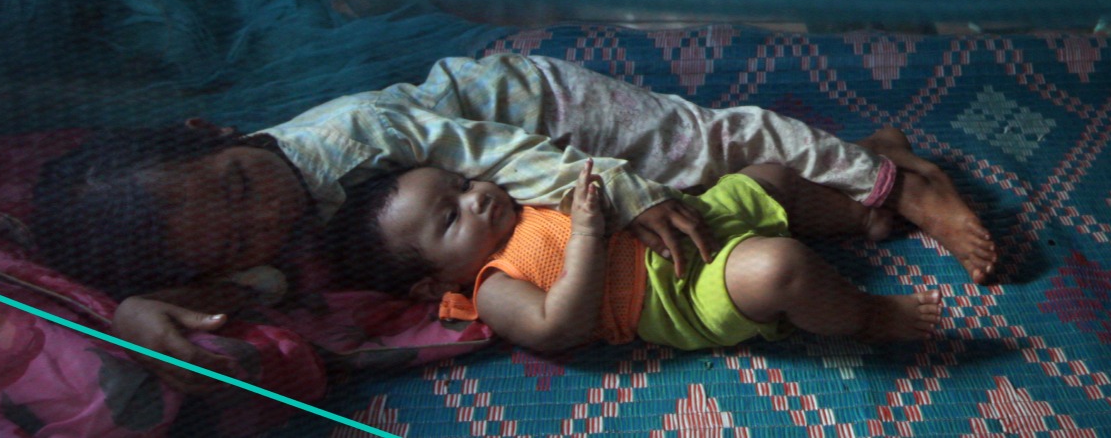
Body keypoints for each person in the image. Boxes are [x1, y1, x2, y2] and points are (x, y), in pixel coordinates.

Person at [31, 53, 992, 385]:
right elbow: (245, 288)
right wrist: (133, 308)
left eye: (239, 185)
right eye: (236, 237)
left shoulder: (345, 136)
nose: (264, 217)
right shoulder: (236, 245)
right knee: (730, 184)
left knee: (698, 149)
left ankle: (904, 183)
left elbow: (499, 158)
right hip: (516, 190)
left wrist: (618, 188)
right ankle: (862, 160)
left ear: (216, 132)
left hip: (529, 118)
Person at [329, 158, 943, 353]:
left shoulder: (520, 198)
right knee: (781, 268)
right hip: (672, 297)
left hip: (682, 229)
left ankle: (859, 217)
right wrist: (590, 238)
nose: (478, 199)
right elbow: (558, 328)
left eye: (462, 183)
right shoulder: (491, 283)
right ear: (430, 284)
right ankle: (868, 317)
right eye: (450, 218)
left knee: (769, 176)